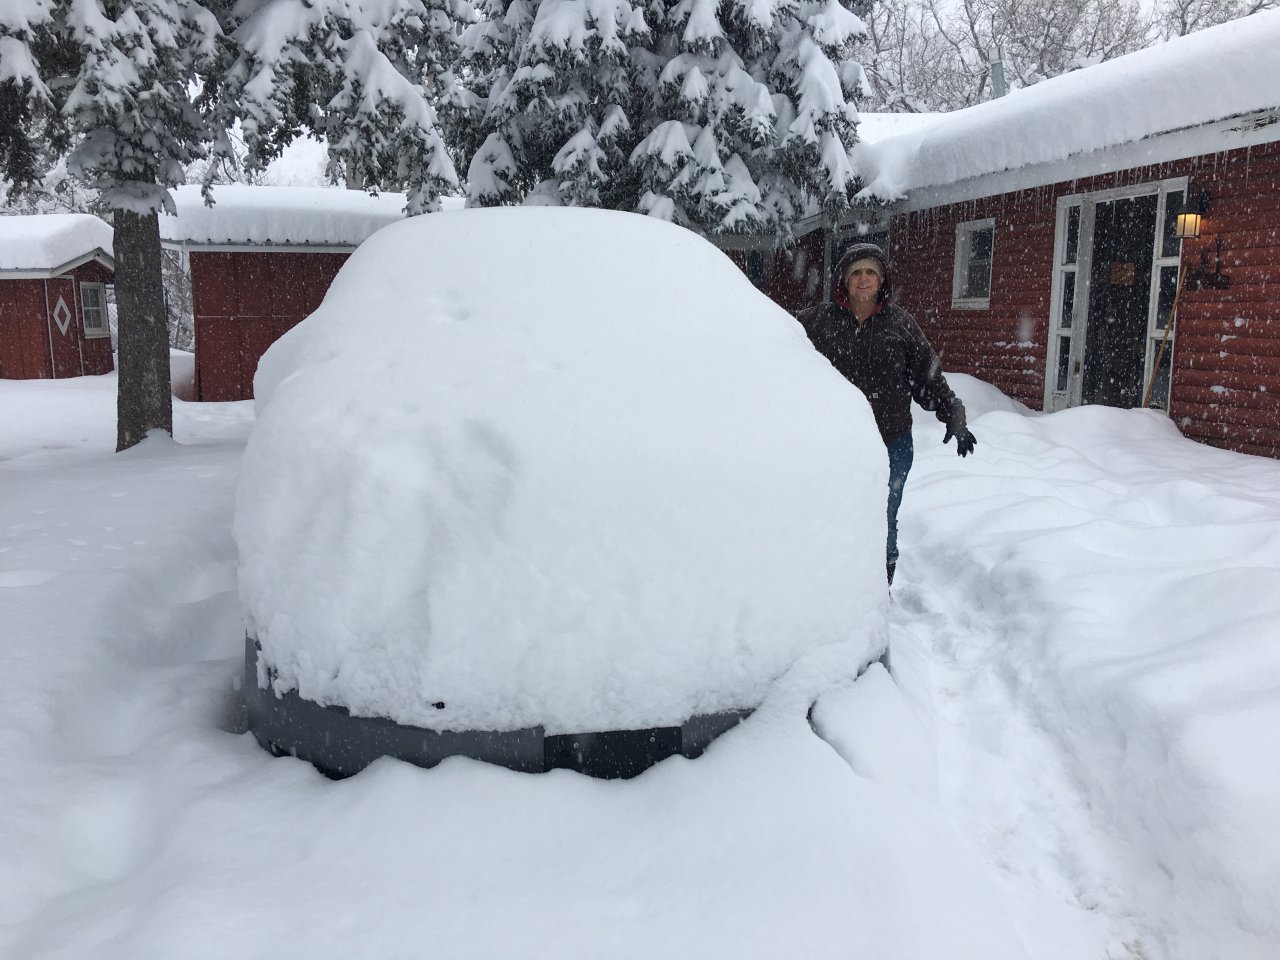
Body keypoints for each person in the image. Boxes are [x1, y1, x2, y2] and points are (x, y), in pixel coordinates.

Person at [797, 242, 975, 586]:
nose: (863, 279)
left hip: (892, 442)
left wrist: (952, 411)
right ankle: (836, 585)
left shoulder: (899, 323)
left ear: (881, 280)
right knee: (835, 513)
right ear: (844, 280)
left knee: (884, 516)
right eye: (856, 273)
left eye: (870, 273)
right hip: (836, 443)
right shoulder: (818, 321)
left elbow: (927, 376)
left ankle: (880, 588)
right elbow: (779, 338)